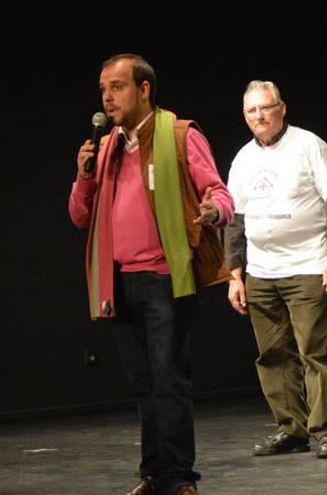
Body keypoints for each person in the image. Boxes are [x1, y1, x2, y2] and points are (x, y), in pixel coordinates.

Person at [68, 54, 233, 495]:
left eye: (117, 86)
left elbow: (219, 192)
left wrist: (213, 209)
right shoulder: (105, 148)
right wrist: (83, 176)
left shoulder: (179, 135)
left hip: (165, 278)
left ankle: (179, 478)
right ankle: (152, 473)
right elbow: (81, 217)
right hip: (118, 282)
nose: (108, 96)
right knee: (144, 385)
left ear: (144, 90)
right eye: (104, 88)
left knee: (168, 380)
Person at [225, 81, 327, 460]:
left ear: (282, 108)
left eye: (265, 108)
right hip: (261, 271)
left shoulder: (308, 145)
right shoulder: (243, 158)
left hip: (308, 264)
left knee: (314, 351)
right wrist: (234, 273)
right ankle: (291, 429)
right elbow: (234, 219)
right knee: (272, 355)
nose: (259, 116)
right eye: (251, 111)